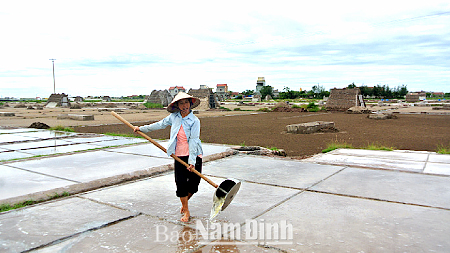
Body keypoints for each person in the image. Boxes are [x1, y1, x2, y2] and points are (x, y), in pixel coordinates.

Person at [133, 92, 203, 222]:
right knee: (181, 183)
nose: (184, 105)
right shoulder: (174, 117)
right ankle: (186, 211)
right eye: (181, 103)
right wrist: (141, 129)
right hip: (179, 155)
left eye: (186, 102)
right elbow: (159, 125)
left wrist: (192, 161)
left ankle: (184, 202)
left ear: (190, 103)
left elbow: (194, 140)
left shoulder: (195, 121)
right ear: (177, 105)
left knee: (194, 185)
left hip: (194, 155)